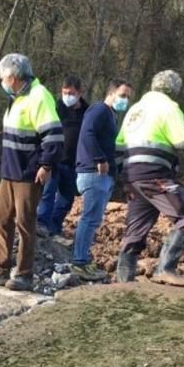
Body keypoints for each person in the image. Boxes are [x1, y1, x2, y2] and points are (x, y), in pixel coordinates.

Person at [0, 53, 63, 291]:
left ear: (12, 77)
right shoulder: (17, 97)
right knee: (2, 219)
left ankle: (24, 273)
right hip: (10, 170)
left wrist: (46, 165)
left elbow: (53, 136)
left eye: (3, 77)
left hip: (28, 172)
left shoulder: (39, 96)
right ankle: (0, 268)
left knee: (25, 223)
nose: (1, 81)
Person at [115, 70, 184, 286]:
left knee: (136, 228)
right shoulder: (169, 107)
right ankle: (165, 268)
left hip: (132, 177)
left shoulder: (135, 109)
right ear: (174, 90)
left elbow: (118, 144)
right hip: (154, 175)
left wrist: (124, 176)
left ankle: (123, 281)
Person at [69, 78, 133, 281]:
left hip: (102, 176)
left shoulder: (111, 116)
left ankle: (83, 260)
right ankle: (79, 262)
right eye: (123, 95)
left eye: (128, 97)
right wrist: (99, 159)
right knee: (89, 219)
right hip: (94, 173)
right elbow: (87, 134)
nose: (125, 100)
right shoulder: (99, 111)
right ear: (111, 93)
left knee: (93, 219)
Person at [36, 75, 87, 238]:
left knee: (66, 200)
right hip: (55, 159)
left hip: (74, 163)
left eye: (71, 93)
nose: (67, 97)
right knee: (48, 193)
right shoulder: (57, 108)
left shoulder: (87, 112)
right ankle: (41, 223)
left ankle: (54, 226)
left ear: (79, 93)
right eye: (65, 92)